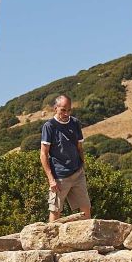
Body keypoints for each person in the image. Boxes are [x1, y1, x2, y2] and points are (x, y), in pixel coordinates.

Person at [39, 94, 91, 222]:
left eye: (69, 110)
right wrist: (51, 179)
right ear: (55, 108)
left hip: (77, 173)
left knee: (86, 209)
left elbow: (80, 147)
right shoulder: (49, 126)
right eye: (63, 110)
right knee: (55, 210)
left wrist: (82, 166)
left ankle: (87, 239)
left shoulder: (75, 123)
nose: (66, 113)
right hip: (59, 176)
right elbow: (43, 154)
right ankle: (51, 239)